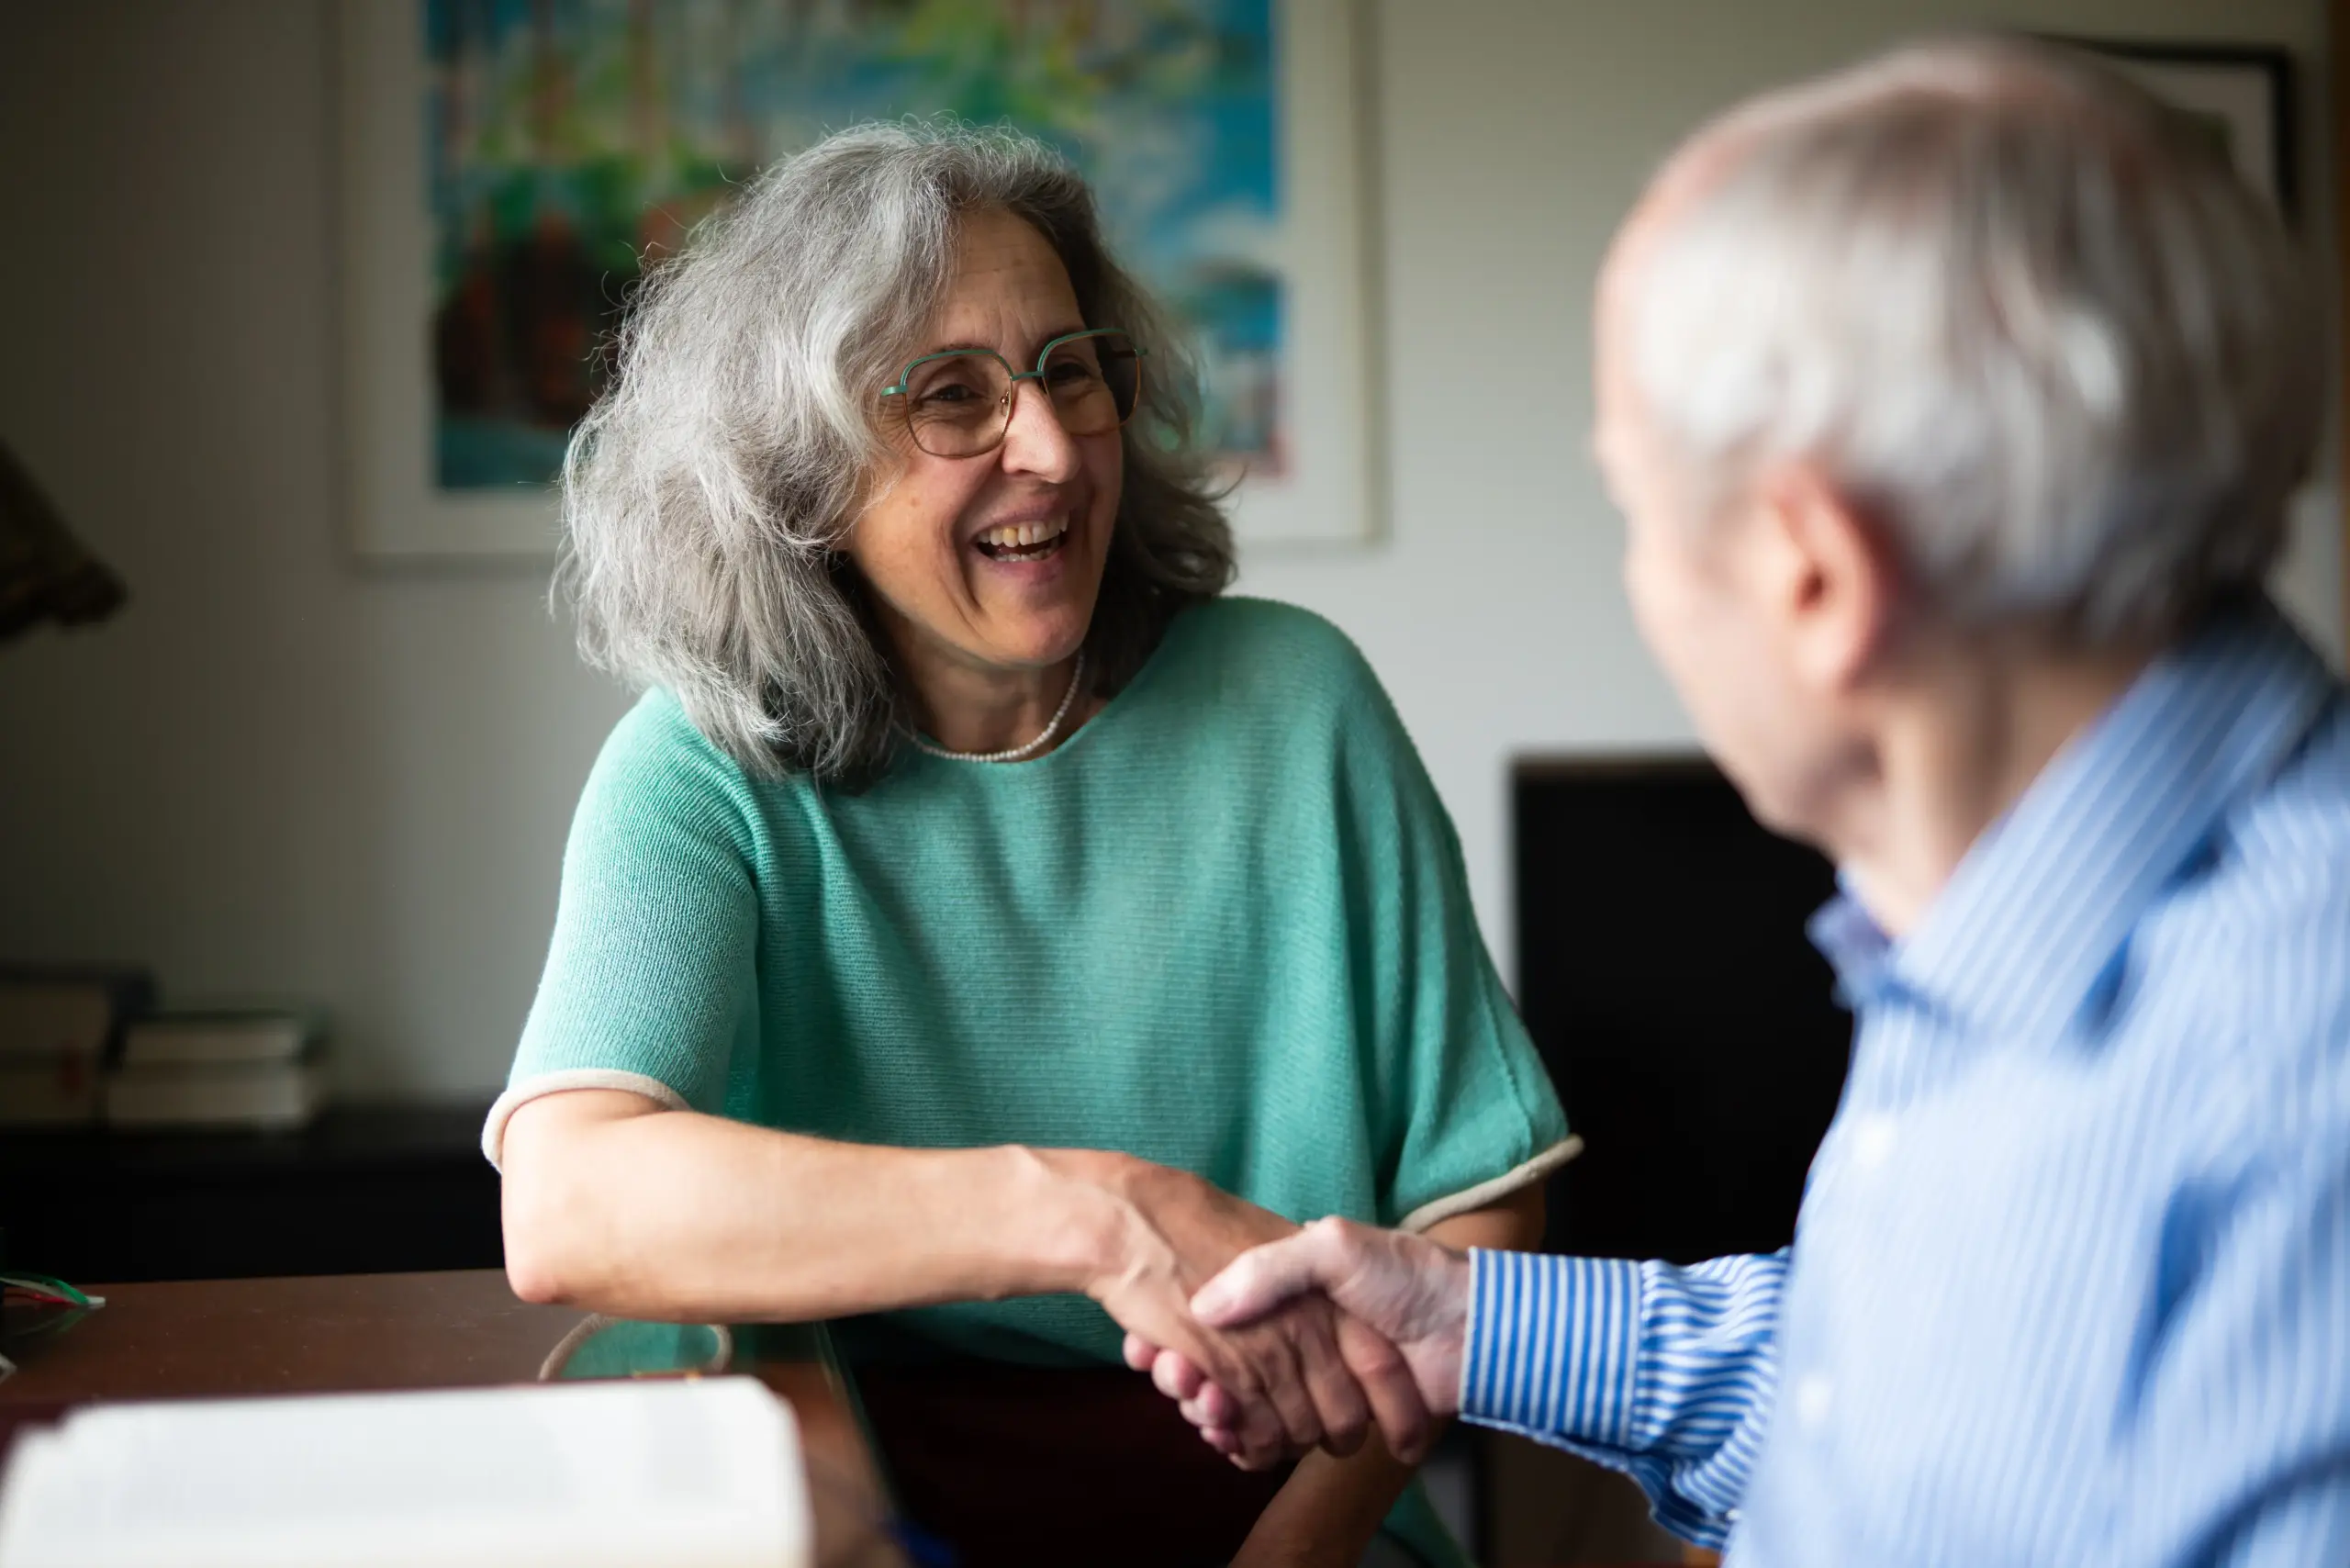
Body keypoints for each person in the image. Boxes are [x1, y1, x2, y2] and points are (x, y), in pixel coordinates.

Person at [1131, 35, 2350, 1566]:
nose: (1637, 573)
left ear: (1812, 575)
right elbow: (1969, 1390)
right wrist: (1468, 1324)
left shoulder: (2297, 1095)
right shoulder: (2003, 928)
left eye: (1634, 511)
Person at [487, 121, 1574, 1568]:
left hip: (1289, 1517)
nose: (1053, 450)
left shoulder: (1296, 705)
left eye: (1072, 370)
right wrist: (1092, 1214)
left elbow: (1485, 1210)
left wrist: (1297, 1550)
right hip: (864, 1516)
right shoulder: (704, 769)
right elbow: (566, 1204)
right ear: (796, 470)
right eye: (952, 396)